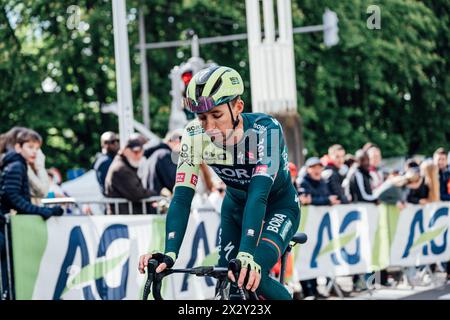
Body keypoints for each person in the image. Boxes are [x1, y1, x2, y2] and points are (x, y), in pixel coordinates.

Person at [138, 65, 300, 299]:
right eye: (202, 117)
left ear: (238, 107)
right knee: (227, 283)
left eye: (217, 115)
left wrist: (246, 254)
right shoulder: (194, 135)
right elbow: (182, 197)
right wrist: (169, 253)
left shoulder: (267, 130)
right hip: (235, 208)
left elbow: (259, 195)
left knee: (252, 275)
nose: (210, 127)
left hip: (278, 207)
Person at [104, 134, 156, 214]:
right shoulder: (120, 168)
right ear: (125, 151)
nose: (139, 156)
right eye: (135, 152)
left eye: (141, 152)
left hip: (126, 218)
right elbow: (137, 193)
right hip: (123, 219)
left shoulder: (124, 165)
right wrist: (155, 193)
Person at [0, 127, 49, 203]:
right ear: (18, 147)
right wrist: (40, 167)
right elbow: (42, 191)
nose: (36, 152)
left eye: (37, 148)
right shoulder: (16, 165)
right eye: (30, 147)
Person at [142, 129, 183, 196]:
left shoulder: (156, 153)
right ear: (177, 141)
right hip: (159, 200)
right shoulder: (164, 155)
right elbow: (173, 181)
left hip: (154, 198)